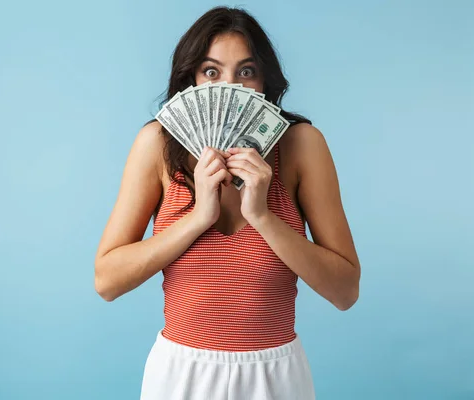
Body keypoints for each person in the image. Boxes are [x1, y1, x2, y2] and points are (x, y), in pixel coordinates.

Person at [94, 6, 361, 400]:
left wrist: (262, 216)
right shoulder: (156, 144)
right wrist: (200, 216)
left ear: (265, 80)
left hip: (274, 375)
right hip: (182, 375)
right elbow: (107, 281)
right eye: (212, 71)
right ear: (191, 79)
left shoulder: (302, 145)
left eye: (246, 72)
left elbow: (345, 292)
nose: (230, 87)